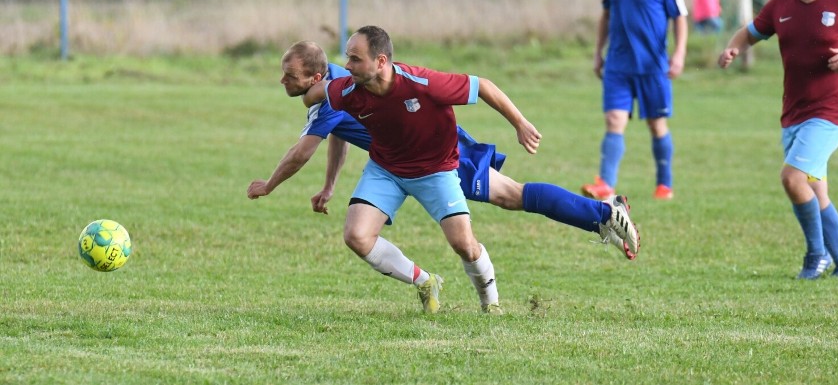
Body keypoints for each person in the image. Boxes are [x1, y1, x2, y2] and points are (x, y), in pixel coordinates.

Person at [248, 36, 640, 314]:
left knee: (512, 198)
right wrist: (331, 184)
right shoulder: (342, 86)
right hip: (394, 162)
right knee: (510, 199)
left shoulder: (368, 85)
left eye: (290, 76)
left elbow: (304, 150)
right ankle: (602, 212)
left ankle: (604, 214)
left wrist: (520, 123)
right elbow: (340, 127)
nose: (283, 82)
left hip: (444, 154)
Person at [718, 0, 838, 279]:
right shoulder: (780, 6)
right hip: (793, 112)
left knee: (792, 178)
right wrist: (733, 49)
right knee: (816, 190)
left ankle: (816, 255)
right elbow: (748, 33)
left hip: (832, 112)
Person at [581, 0, 689, 201]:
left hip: (653, 66)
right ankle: (606, 183)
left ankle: (664, 184)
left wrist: (678, 54)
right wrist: (598, 53)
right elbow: (605, 16)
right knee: (614, 119)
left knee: (656, 125)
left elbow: (679, 17)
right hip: (618, 65)